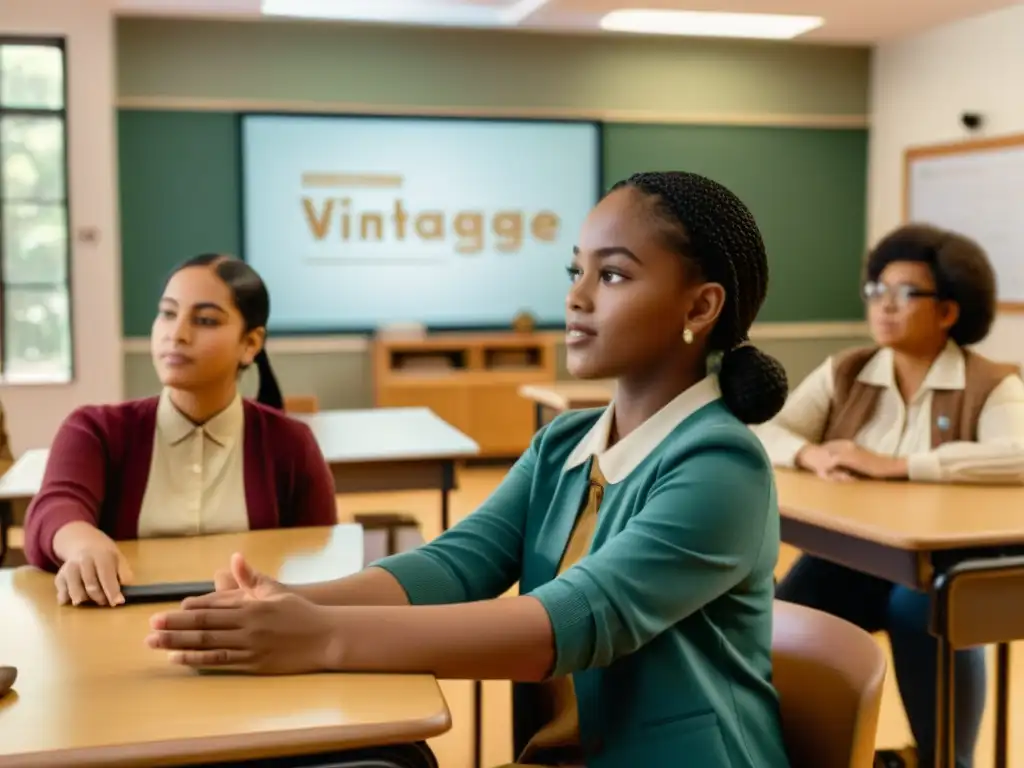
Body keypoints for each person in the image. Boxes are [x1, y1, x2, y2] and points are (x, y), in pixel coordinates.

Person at [145, 172, 792, 768]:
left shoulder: (721, 466)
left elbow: (565, 624)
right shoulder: (562, 443)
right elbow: (455, 565)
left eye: (613, 276)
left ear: (701, 307)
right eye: (575, 271)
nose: (575, 297)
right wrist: (293, 603)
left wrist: (322, 637)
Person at [755, 224, 1024, 768]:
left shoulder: (990, 382)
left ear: (948, 311)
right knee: (783, 620)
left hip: (945, 565)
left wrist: (901, 466)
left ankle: (944, 759)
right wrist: (812, 455)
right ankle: (812, 753)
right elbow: (766, 430)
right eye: (876, 289)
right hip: (857, 553)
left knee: (918, 607)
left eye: (904, 292)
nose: (884, 304)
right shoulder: (848, 370)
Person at [23, 254, 337, 607]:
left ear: (250, 344)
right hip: (121, 620)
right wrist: (82, 542)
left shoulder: (291, 442)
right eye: (168, 313)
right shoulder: (95, 429)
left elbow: (319, 553)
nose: (177, 334)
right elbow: (53, 507)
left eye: (204, 320)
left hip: (250, 626)